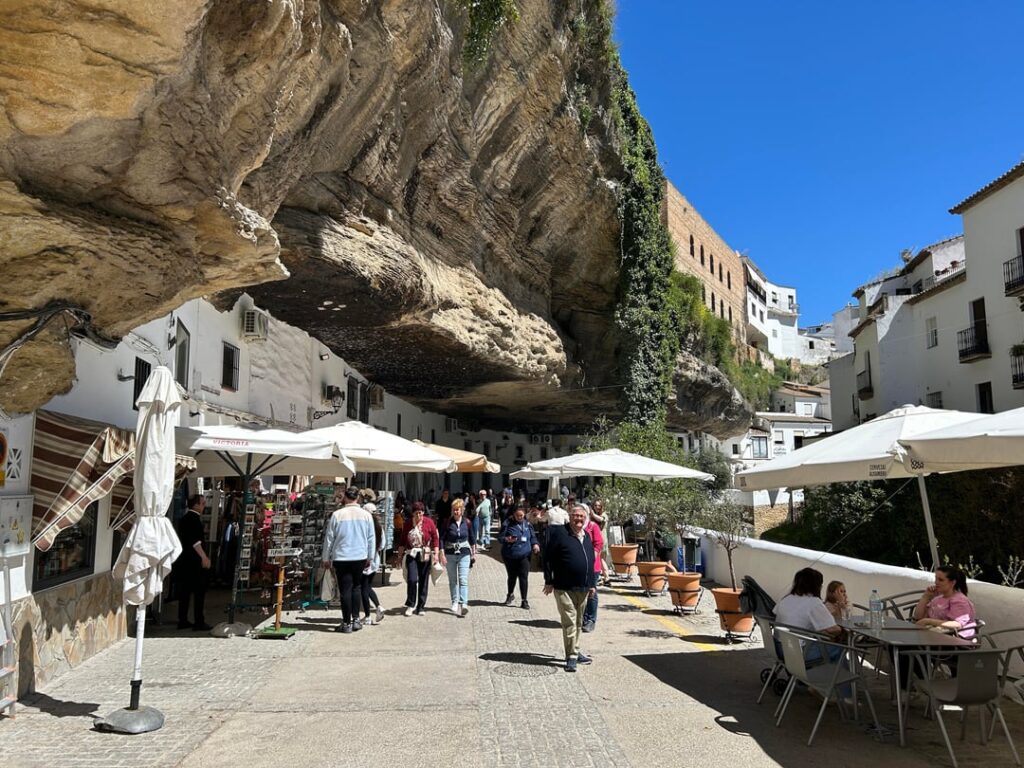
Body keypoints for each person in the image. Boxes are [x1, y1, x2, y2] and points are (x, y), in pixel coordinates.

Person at [543, 504, 596, 672]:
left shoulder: (586, 536)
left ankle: (576, 649)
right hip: (563, 586)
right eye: (575, 516)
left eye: (581, 516)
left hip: (583, 587)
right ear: (569, 517)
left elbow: (590, 562)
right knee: (570, 622)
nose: (578, 519)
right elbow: (547, 557)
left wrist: (592, 584)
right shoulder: (560, 534)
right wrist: (548, 580)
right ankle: (571, 656)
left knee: (579, 622)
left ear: (585, 518)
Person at [322, 486, 376, 633]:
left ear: (345, 497)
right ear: (357, 498)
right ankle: (356, 619)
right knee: (356, 587)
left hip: (342, 556)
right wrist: (370, 556)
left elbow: (329, 538)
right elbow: (371, 538)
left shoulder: (337, 515)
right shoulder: (366, 515)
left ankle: (346, 623)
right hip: (360, 556)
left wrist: (326, 557)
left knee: (345, 589)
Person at [773, 568, 843, 666]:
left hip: (778, 647)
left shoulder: (786, 598)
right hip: (797, 652)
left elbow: (777, 613)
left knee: (819, 641)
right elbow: (833, 629)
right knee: (840, 648)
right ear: (817, 586)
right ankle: (841, 680)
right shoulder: (814, 602)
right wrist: (841, 630)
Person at [176, 495, 212, 630]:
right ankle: (199, 621)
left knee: (184, 592)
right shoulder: (194, 520)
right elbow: (196, 542)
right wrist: (204, 557)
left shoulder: (184, 519)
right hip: (195, 562)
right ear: (196, 505)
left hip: (184, 560)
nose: (204, 506)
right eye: (202, 503)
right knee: (199, 592)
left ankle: (183, 619)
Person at [398, 502, 439, 616]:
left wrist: (436, 554)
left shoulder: (429, 522)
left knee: (423, 580)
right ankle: (411, 604)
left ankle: (421, 606)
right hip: (412, 554)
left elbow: (435, 538)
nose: (418, 516)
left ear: (423, 513)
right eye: (416, 514)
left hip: (425, 554)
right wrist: (399, 556)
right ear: (412, 514)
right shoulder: (408, 524)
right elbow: (402, 540)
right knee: (412, 579)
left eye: (420, 513)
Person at [912, 565, 977, 637]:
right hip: (938, 636)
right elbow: (918, 617)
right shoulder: (938, 599)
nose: (936, 582)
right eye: (936, 579)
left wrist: (928, 621)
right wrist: (926, 596)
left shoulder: (959, 600)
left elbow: (957, 624)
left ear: (952, 583)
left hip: (956, 640)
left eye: (941, 580)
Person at [439, 497, 476, 617]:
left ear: (462, 510)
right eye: (454, 510)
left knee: (463, 579)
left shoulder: (468, 522)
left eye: (458, 510)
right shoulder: (447, 522)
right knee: (453, 580)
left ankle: (464, 603)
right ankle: (454, 601)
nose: (456, 512)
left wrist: (474, 553)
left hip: (464, 552)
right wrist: (442, 553)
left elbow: (472, 538)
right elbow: (442, 539)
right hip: (450, 553)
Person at [499, 505, 540, 608]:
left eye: (521, 515)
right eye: (518, 516)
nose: (520, 517)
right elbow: (500, 538)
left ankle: (524, 600)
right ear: (514, 515)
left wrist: (535, 544)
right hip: (510, 555)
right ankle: (510, 594)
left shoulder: (528, 524)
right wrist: (507, 539)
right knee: (512, 576)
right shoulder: (507, 524)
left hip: (525, 555)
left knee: (523, 577)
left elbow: (533, 536)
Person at [360, 505, 386, 626]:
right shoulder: (379, 527)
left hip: (365, 560)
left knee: (364, 589)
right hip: (375, 559)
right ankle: (378, 607)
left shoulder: (365, 527)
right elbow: (382, 545)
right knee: (368, 586)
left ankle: (368, 616)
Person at [581, 512, 604, 633]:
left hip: (593, 566)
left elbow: (599, 543)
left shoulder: (593, 526)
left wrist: (593, 555)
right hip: (579, 566)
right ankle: (582, 617)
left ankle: (590, 619)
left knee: (591, 592)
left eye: (583, 515)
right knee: (580, 591)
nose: (580, 518)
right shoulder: (573, 527)